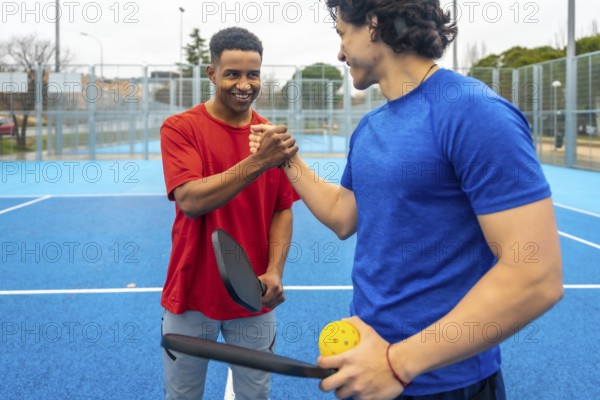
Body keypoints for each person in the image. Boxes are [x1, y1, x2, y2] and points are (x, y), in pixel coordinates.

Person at [249, 1, 564, 399]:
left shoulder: (474, 112)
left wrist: (399, 364)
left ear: (375, 26)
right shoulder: (369, 128)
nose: (340, 53)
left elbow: (535, 276)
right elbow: (343, 216)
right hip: (370, 372)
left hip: (445, 383)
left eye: (343, 34)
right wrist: (288, 160)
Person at [159, 27, 298, 400]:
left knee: (256, 396)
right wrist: (259, 161)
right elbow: (191, 200)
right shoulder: (180, 128)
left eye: (252, 74)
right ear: (211, 74)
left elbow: (282, 210)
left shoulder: (269, 135)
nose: (244, 84)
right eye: (232, 73)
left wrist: (275, 270)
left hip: (253, 297)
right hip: (190, 295)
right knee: (183, 396)